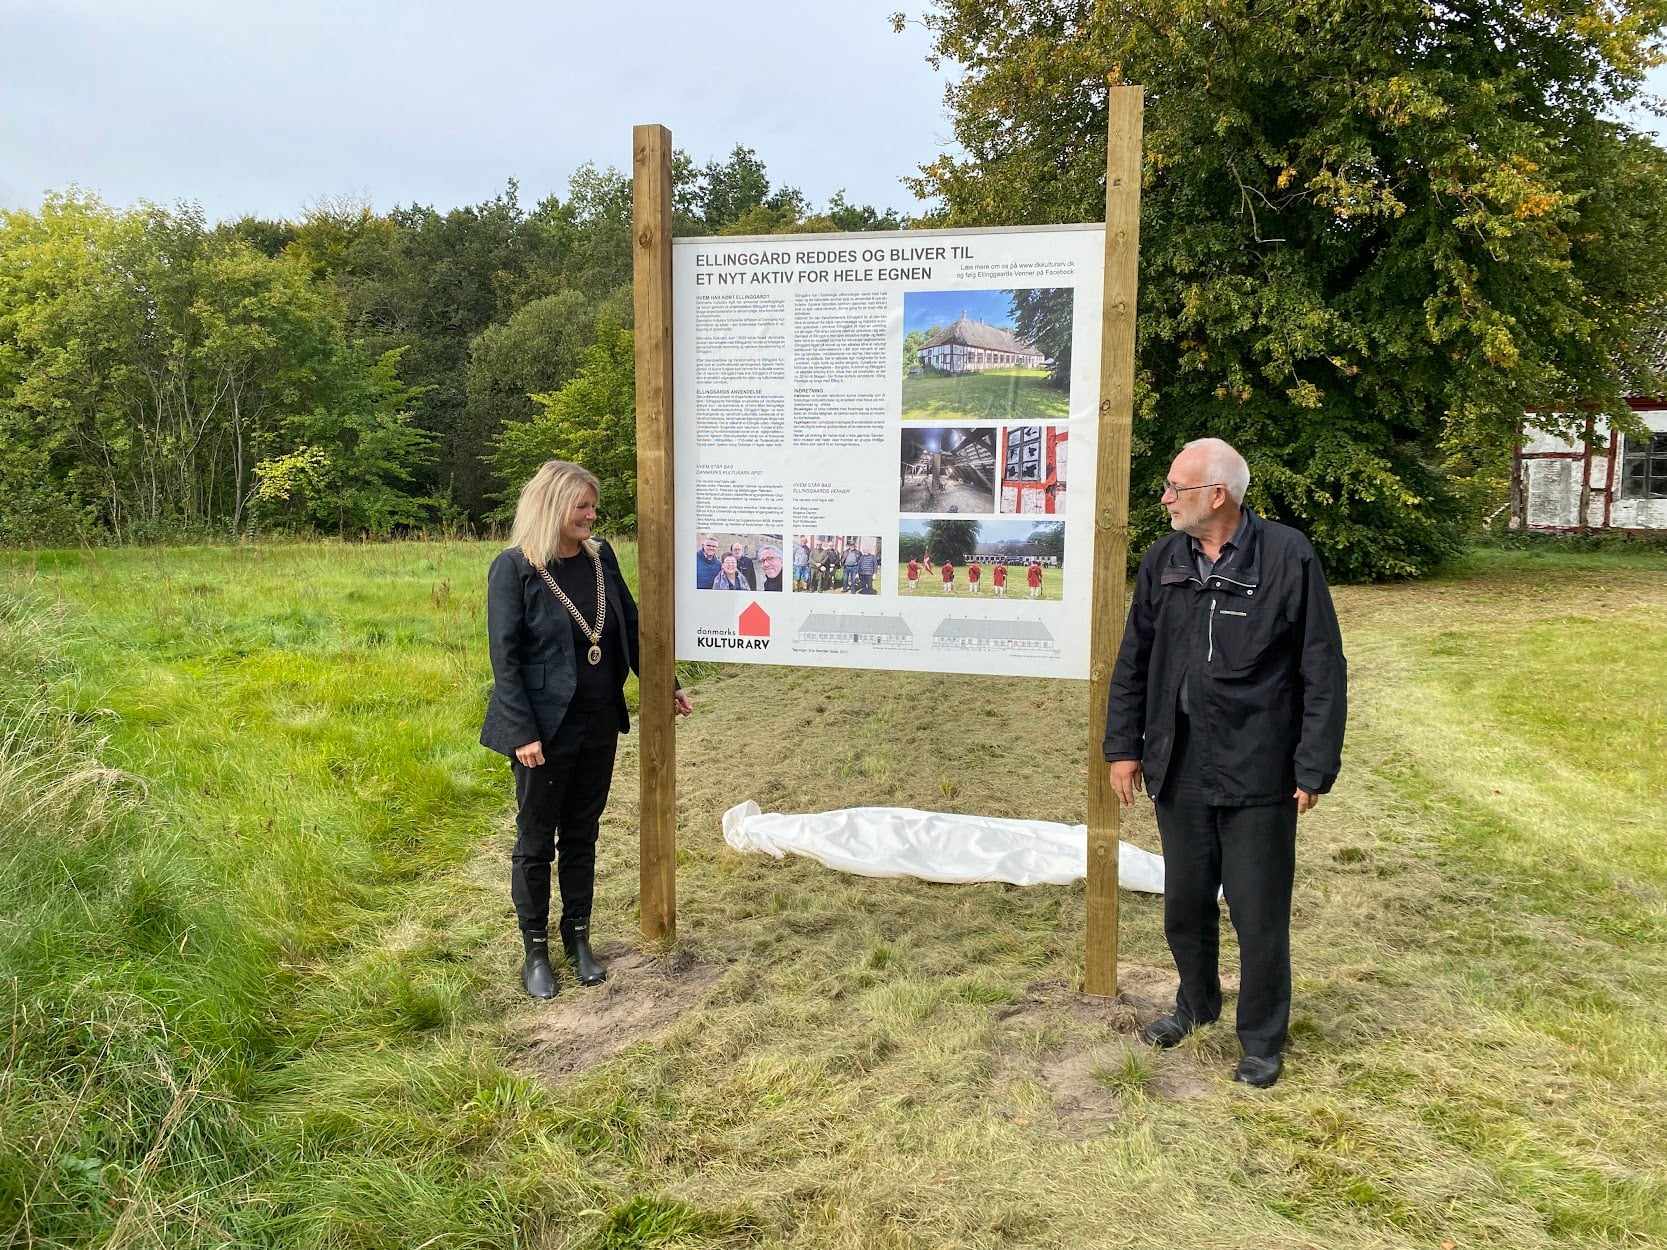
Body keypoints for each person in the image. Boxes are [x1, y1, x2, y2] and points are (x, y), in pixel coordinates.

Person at [1102, 438, 1346, 1088]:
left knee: (1256, 910)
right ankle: (1195, 1003)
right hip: (1177, 764)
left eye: (1173, 488)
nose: (1164, 499)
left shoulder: (1286, 555)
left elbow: (1321, 664)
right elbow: (1133, 661)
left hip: (1257, 767)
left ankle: (1261, 1039)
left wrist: (1312, 763)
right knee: (1184, 902)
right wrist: (1123, 749)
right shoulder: (1163, 561)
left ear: (1216, 495)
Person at [482, 460, 694, 999]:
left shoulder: (601, 559)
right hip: (544, 733)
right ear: (553, 506)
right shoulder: (514, 570)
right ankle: (535, 952)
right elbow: (504, 660)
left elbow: (631, 623)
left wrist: (661, 684)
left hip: (600, 723)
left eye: (592, 506)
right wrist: (521, 731)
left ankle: (578, 939)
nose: (591, 515)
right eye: (582, 506)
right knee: (535, 841)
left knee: (582, 835)